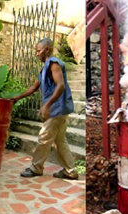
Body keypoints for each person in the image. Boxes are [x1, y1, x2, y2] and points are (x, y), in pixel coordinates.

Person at [12, 38, 78, 180]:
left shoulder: (54, 64)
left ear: (47, 49)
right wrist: (17, 98)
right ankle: (70, 171)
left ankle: (36, 168)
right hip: (58, 109)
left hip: (57, 109)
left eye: (38, 50)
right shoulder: (44, 69)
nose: (36, 54)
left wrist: (47, 105)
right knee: (60, 141)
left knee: (44, 137)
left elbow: (61, 85)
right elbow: (33, 88)